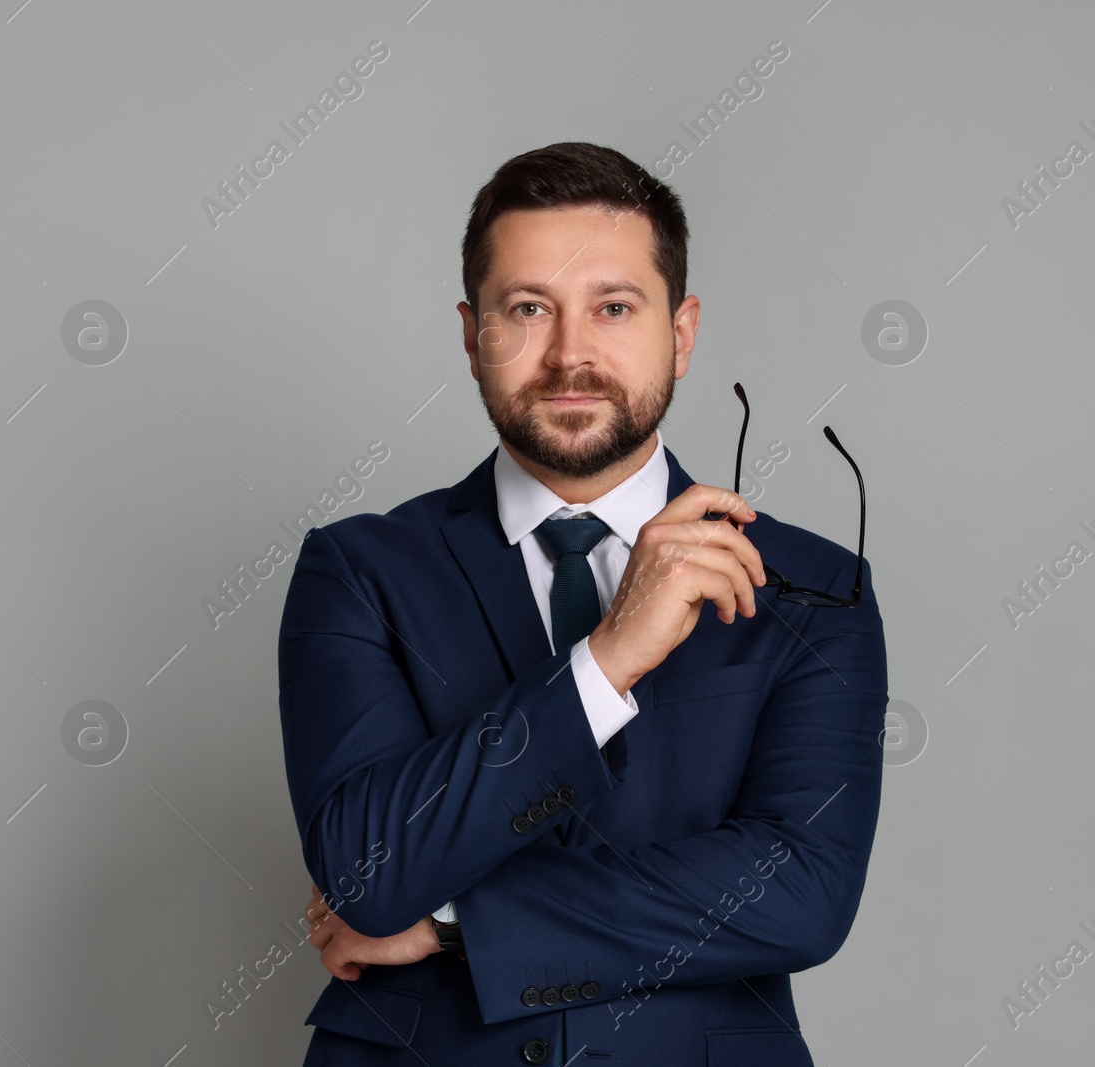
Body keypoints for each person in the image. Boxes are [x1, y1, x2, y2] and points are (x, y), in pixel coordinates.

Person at [276, 142, 887, 1066]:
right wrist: (605, 662)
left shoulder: (812, 587)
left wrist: (453, 923)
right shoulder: (358, 569)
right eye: (527, 309)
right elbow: (366, 871)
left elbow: (798, 893)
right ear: (472, 331)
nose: (569, 355)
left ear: (680, 333)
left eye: (613, 307)